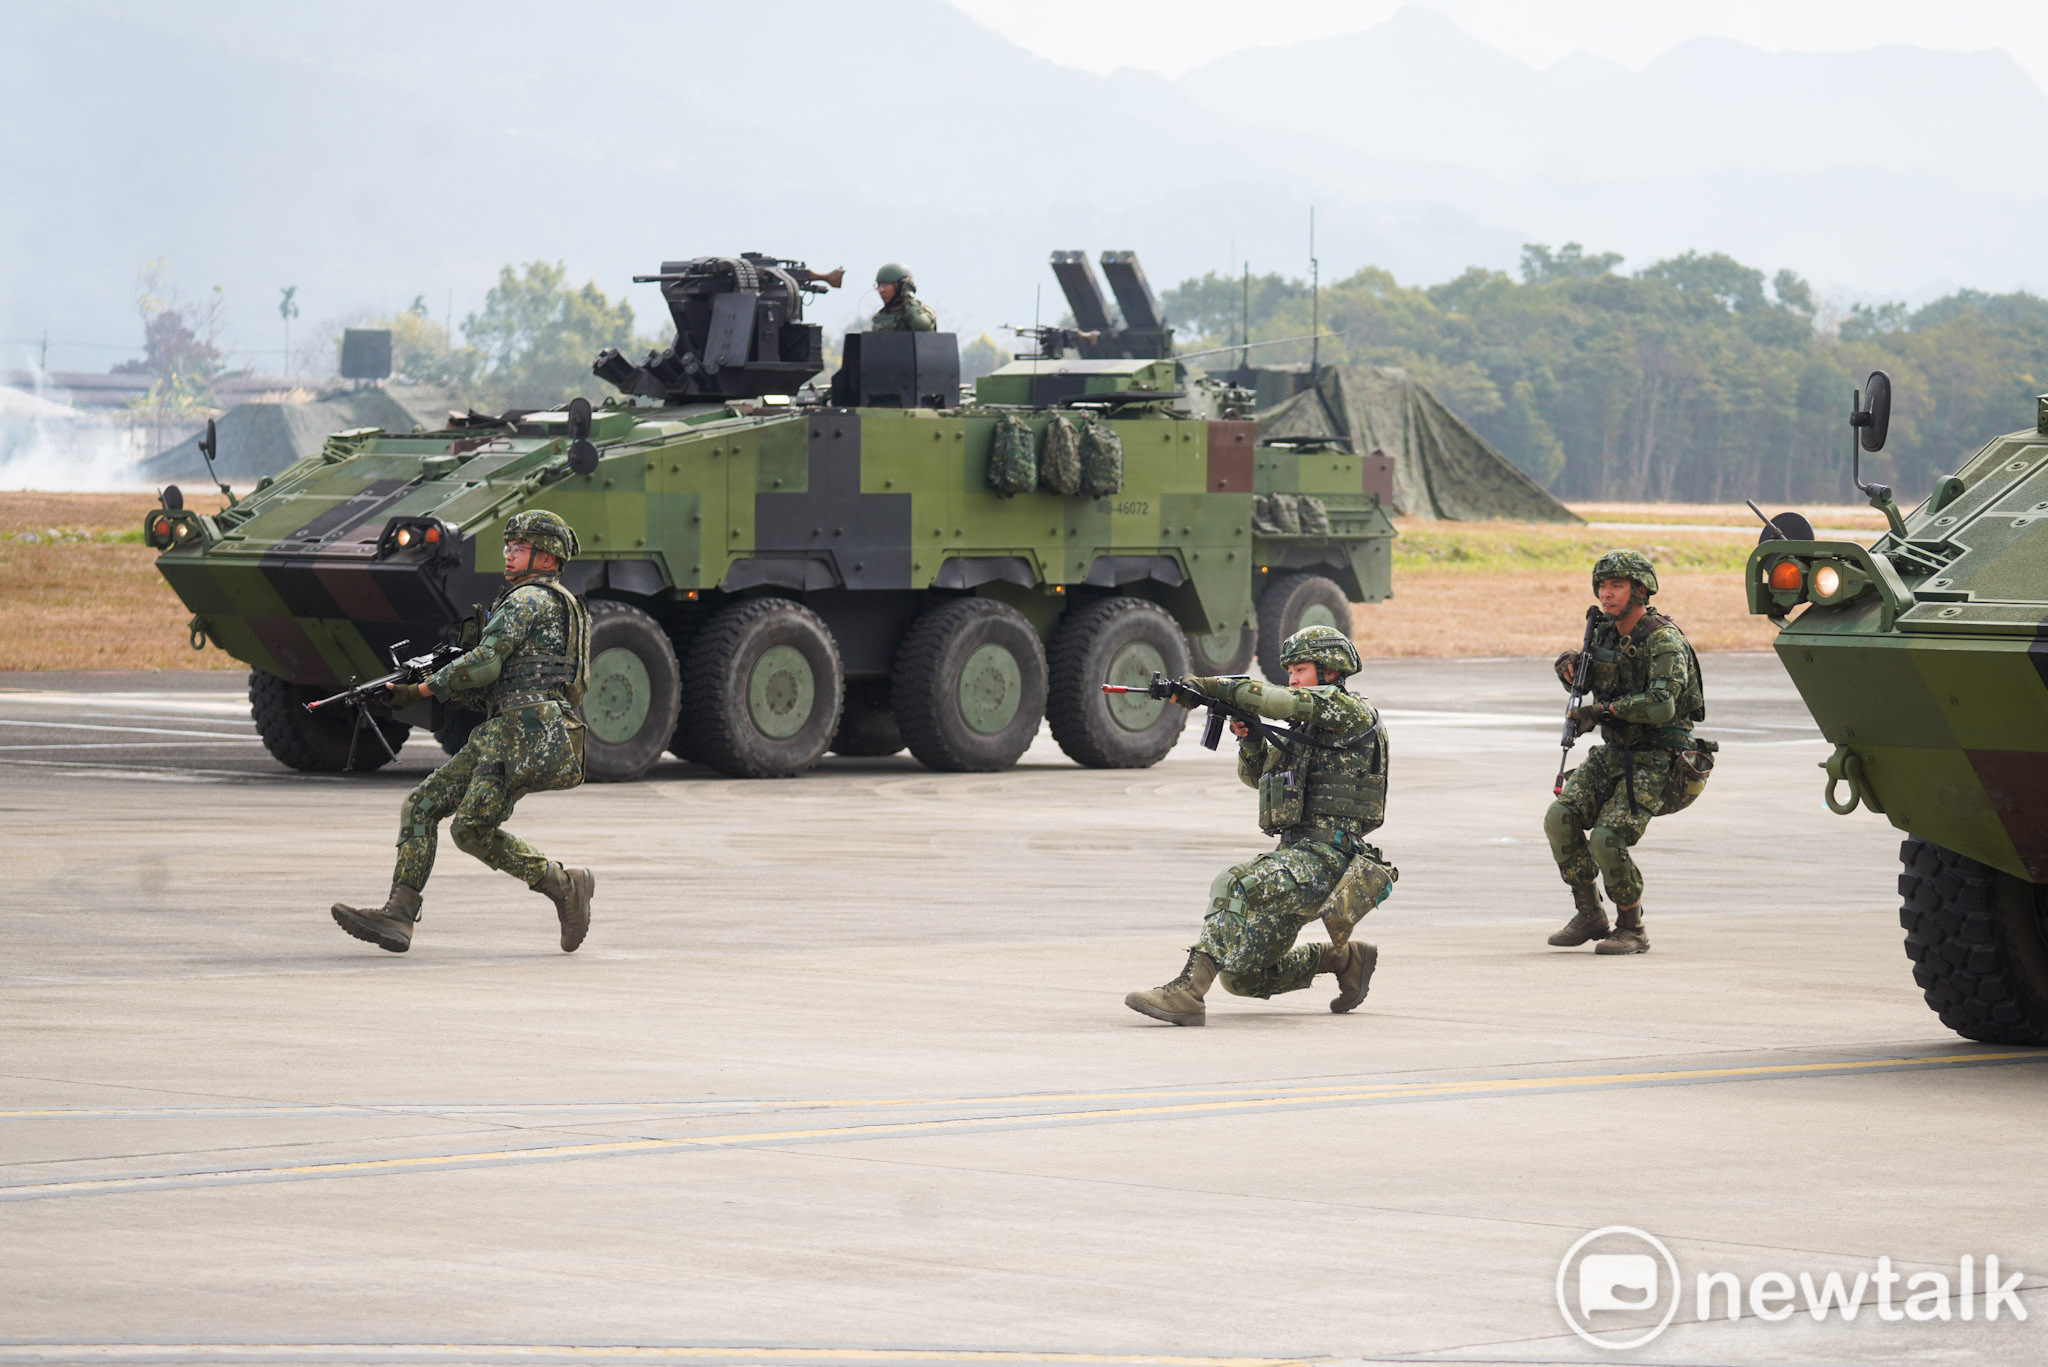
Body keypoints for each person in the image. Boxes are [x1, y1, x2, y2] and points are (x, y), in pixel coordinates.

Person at [331, 509, 595, 954]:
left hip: (520, 734)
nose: (509, 555)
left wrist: (419, 690)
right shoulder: (561, 604)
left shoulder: (527, 600)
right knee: (429, 809)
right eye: (508, 547)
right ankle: (400, 914)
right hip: (515, 731)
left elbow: (487, 662)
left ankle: (565, 885)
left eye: (520, 548)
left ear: (547, 558)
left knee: (460, 824)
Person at [1125, 624, 1391, 1026]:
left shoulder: (1349, 712)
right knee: (1242, 976)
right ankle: (1343, 959)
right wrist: (1249, 739)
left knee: (1234, 883)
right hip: (1298, 857)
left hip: (1328, 859)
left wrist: (1208, 687)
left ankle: (1187, 992)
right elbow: (1260, 779)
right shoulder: (1309, 730)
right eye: (1291, 671)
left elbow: (1274, 700)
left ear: (1331, 671)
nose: (1292, 679)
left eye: (1301, 669)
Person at [1543, 550, 1703, 955]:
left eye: (1616, 586)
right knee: (1560, 818)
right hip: (1615, 752)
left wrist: (1600, 711)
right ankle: (1589, 912)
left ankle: (1631, 927)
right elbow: (1594, 680)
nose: (1606, 594)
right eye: (1602, 585)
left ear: (1640, 591)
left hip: (1658, 757)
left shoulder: (1664, 641)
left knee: (1607, 837)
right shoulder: (1605, 634)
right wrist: (1572, 671)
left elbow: (1661, 704)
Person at [869, 261, 937, 332]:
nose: (880, 290)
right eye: (878, 286)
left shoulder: (921, 311)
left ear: (899, 286)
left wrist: (908, 296)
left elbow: (922, 327)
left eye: (884, 285)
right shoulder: (880, 316)